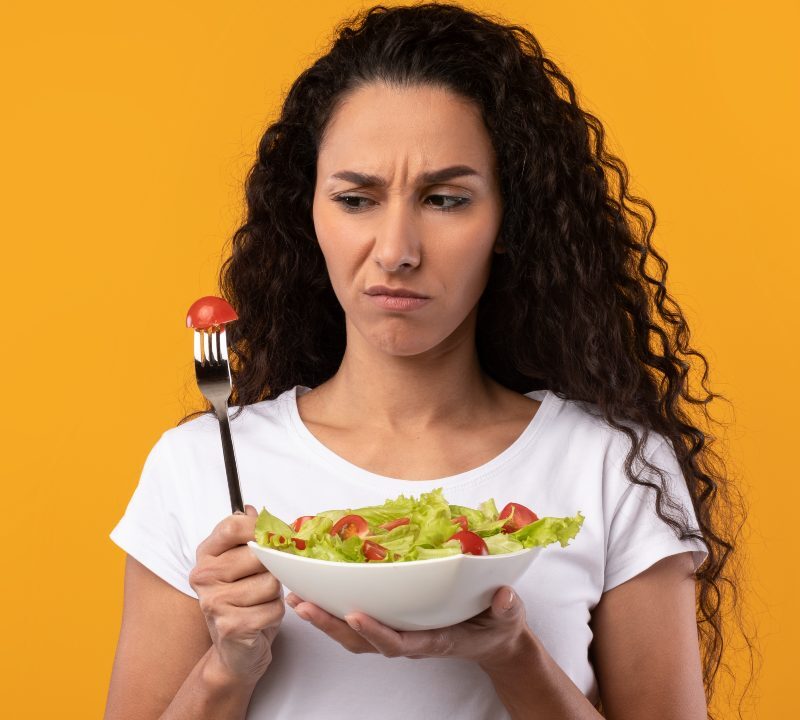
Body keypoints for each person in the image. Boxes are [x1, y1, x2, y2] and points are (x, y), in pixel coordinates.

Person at [104, 3, 747, 718]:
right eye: (356, 199)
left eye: (445, 199)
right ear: (308, 212)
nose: (396, 250)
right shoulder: (197, 466)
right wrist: (229, 666)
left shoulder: (613, 468)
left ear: (509, 220)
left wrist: (511, 653)